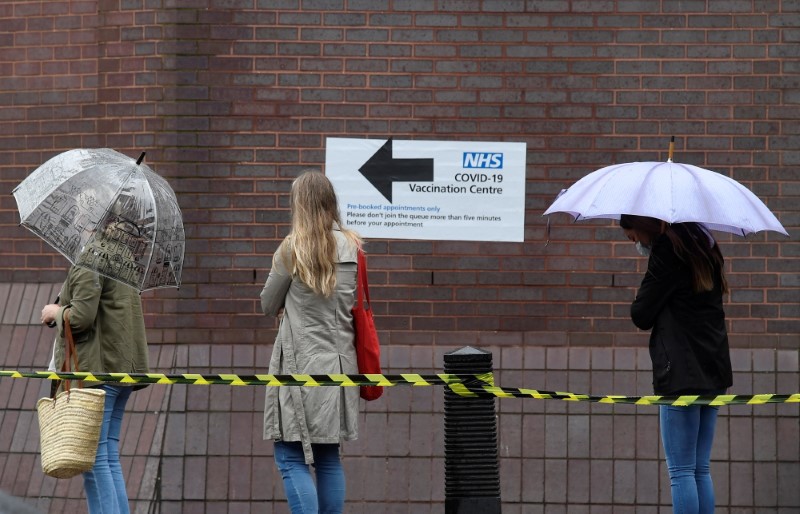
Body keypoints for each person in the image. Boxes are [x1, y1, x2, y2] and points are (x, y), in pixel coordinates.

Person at [260, 170, 362, 514]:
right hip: (339, 365)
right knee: (328, 456)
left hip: (299, 367)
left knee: (289, 455)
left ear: (300, 205)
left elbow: (267, 304)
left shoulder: (292, 248)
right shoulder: (353, 246)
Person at [620, 214, 732, 514]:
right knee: (699, 468)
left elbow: (641, 314)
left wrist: (646, 284)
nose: (637, 245)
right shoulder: (704, 245)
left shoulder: (667, 250)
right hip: (714, 368)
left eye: (633, 238)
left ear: (644, 228)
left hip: (680, 372)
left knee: (681, 471)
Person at [40, 231, 149, 514]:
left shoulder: (93, 255)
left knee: (94, 459)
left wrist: (57, 312)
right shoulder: (122, 254)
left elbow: (82, 318)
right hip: (121, 369)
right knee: (108, 456)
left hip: (97, 369)